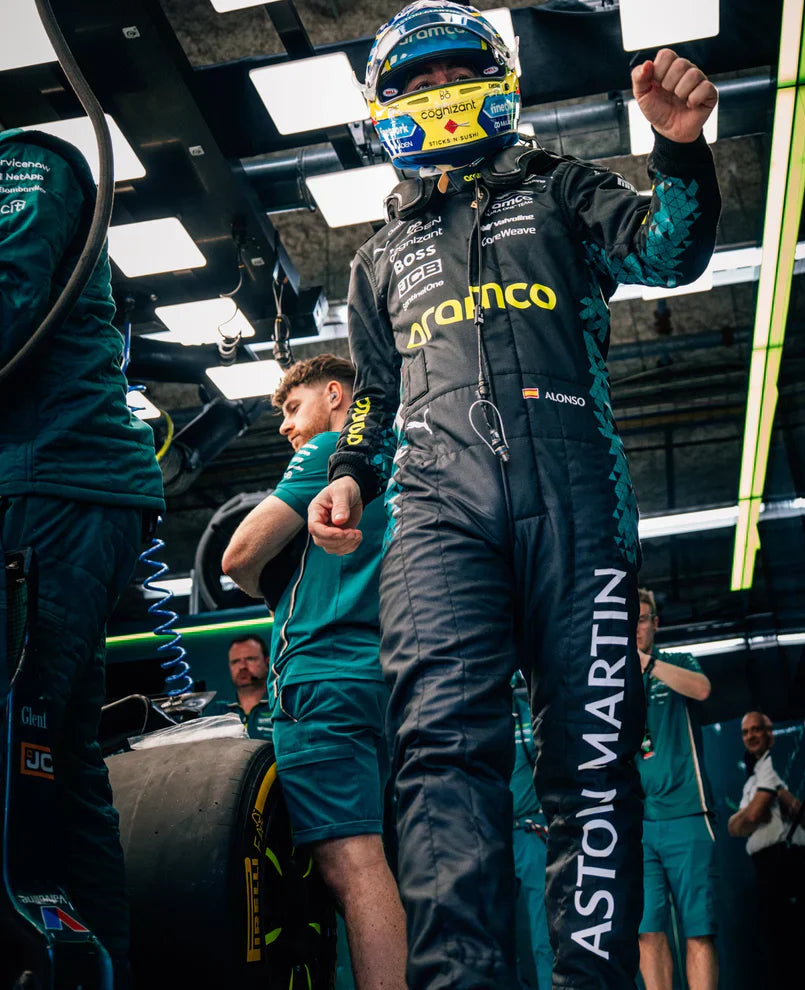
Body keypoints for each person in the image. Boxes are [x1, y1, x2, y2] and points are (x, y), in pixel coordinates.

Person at [306, 3, 721, 986]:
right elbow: (372, 396)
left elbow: (669, 250)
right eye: (413, 82)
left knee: (591, 773)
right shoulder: (376, 261)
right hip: (439, 524)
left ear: (498, 82)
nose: (436, 93)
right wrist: (348, 477)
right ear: (384, 109)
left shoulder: (561, 187)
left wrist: (681, 149)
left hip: (581, 504)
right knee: (443, 764)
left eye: (455, 71)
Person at [0, 127, 165, 988]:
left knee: (23, 741)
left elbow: (9, 303)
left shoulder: (26, 160)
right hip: (47, 485)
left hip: (55, 480)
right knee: (57, 759)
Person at [222, 354, 406, 990]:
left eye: (291, 408)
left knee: (352, 867)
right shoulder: (404, 458)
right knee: (389, 867)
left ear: (336, 396)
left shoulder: (331, 452)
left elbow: (238, 554)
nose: (285, 427)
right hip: (388, 682)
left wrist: (273, 582)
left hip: (322, 679)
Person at [635, 589, 718, 990]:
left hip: (687, 815)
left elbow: (702, 689)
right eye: (627, 620)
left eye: (642, 618)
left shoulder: (676, 662)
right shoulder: (609, 682)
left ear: (655, 624)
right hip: (638, 825)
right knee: (647, 931)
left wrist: (647, 665)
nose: (635, 628)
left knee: (697, 929)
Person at [727, 711, 805, 990]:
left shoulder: (773, 765)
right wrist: (747, 816)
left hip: (788, 864)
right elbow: (735, 826)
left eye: (756, 729)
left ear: (769, 733)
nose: (750, 736)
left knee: (795, 947)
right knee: (775, 949)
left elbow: (752, 817)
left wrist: (754, 812)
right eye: (746, 732)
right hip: (765, 869)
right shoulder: (753, 778)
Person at [510, 673, 553, 990]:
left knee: (542, 935)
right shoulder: (470, 717)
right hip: (488, 838)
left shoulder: (528, 709)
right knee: (497, 934)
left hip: (531, 832)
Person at [203, 634, 274, 739]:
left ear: (267, 662)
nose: (242, 666)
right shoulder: (215, 713)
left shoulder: (280, 706)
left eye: (250, 659)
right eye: (235, 661)